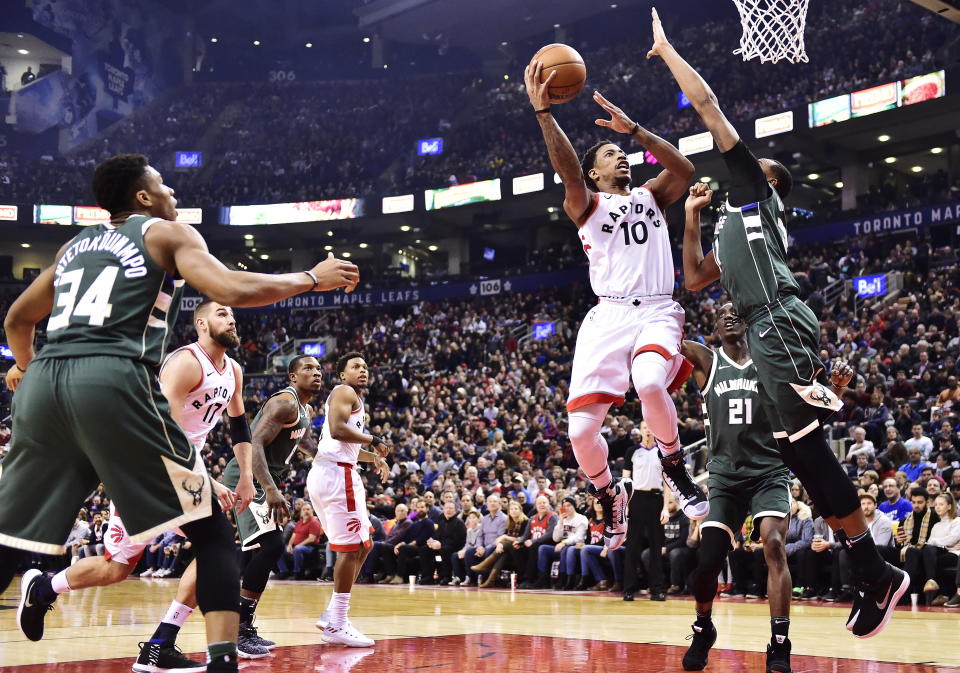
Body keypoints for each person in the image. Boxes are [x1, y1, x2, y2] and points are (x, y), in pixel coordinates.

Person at [0, 153, 358, 673]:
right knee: (213, 534)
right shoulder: (167, 233)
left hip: (44, 388)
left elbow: (16, 319)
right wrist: (310, 277)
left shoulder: (75, 246)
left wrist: (37, 377)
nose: (172, 192)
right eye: (163, 183)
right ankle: (219, 662)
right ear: (143, 197)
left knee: (9, 538)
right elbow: (231, 287)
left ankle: (113, 618)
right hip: (113, 387)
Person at [652, 8, 908, 638]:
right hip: (768, 331)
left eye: (755, 165)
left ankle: (874, 571)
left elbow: (709, 108)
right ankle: (872, 570)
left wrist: (668, 52)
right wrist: (690, 218)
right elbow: (695, 280)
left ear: (768, 183)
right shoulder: (734, 221)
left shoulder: (758, 197)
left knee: (807, 448)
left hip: (777, 323)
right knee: (804, 451)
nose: (745, 163)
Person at [522, 57, 706, 553]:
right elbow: (566, 171)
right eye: (609, 152)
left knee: (649, 381)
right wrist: (544, 114)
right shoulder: (585, 204)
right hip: (608, 315)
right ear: (593, 171)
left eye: (621, 151)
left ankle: (673, 466)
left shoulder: (650, 195)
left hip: (655, 309)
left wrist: (636, 130)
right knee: (580, 433)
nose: (620, 156)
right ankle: (609, 493)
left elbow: (684, 169)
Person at [678, 303, 843, 671]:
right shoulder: (705, 359)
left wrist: (834, 387)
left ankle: (779, 643)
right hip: (724, 477)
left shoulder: (771, 362)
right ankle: (703, 627)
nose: (730, 315)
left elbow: (810, 416)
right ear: (717, 325)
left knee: (773, 545)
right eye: (723, 313)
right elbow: (664, 338)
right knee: (707, 561)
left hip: (769, 472)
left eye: (737, 310)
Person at [221, 353, 328, 657]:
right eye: (308, 368)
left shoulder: (304, 408)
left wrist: (339, 460)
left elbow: (306, 445)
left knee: (259, 550)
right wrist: (268, 487)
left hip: (265, 479)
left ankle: (238, 622)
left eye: (319, 369)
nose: (316, 373)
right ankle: (239, 629)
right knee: (271, 547)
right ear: (293, 377)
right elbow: (253, 442)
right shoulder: (285, 402)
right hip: (247, 477)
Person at [307, 351, 390, 647]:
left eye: (365, 366)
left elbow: (343, 444)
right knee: (352, 547)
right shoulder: (344, 391)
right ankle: (338, 623)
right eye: (355, 367)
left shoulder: (351, 397)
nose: (363, 370)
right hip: (337, 476)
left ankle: (333, 613)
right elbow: (337, 430)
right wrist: (375, 440)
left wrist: (371, 458)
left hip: (332, 472)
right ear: (342, 374)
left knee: (363, 542)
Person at [622, 421, 669, 602]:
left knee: (656, 547)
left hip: (656, 499)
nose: (648, 430)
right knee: (632, 546)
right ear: (640, 431)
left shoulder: (662, 452)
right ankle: (628, 589)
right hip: (636, 499)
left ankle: (656, 589)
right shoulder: (632, 452)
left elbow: (667, 482)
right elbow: (626, 481)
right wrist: (625, 506)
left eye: (651, 427)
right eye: (645, 427)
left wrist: (665, 507)